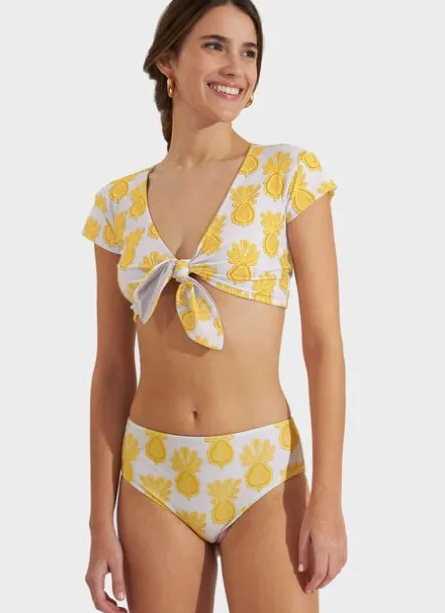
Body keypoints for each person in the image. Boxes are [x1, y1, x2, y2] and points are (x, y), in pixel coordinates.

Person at [81, 1, 347, 611]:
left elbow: (323, 345)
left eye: (249, 52)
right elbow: (113, 370)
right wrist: (100, 523)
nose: (236, 66)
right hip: (153, 476)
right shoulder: (117, 204)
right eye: (214, 46)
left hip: (263, 473)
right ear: (167, 61)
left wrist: (328, 500)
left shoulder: (287, 174)